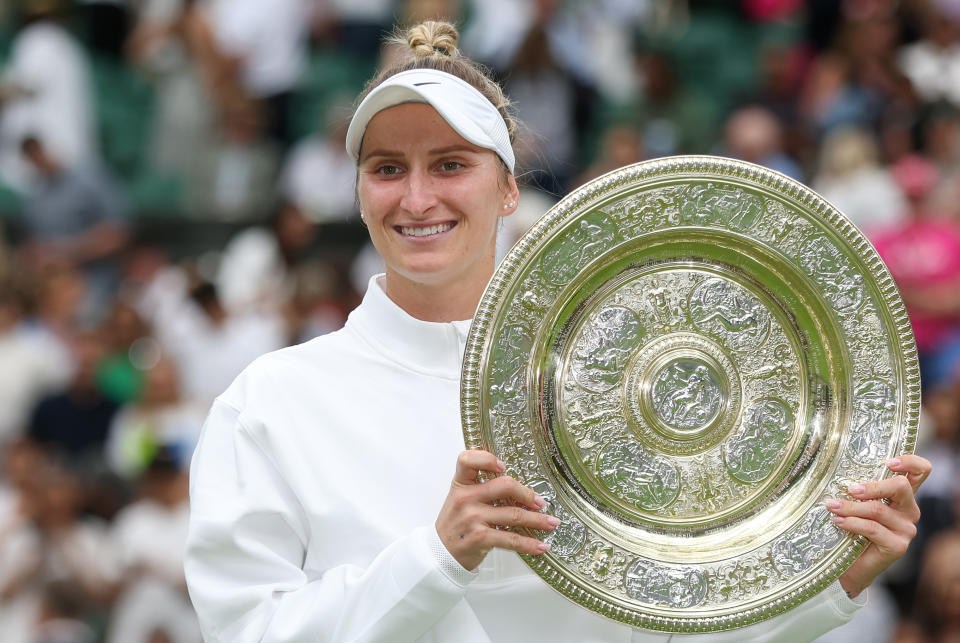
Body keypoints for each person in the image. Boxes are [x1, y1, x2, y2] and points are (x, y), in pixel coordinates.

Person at [185, 20, 931, 642]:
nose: (416, 198)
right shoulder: (271, 402)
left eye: (450, 164)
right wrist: (436, 557)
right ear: (357, 191)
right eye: (386, 168)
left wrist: (832, 579)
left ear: (508, 188)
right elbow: (247, 630)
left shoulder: (620, 382)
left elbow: (677, 623)